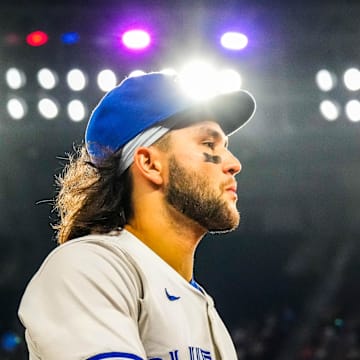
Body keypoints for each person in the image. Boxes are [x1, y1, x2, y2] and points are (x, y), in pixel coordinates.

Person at [18, 71, 256, 360]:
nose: (234, 164)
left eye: (225, 148)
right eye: (208, 144)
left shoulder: (205, 309)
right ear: (149, 163)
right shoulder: (88, 267)